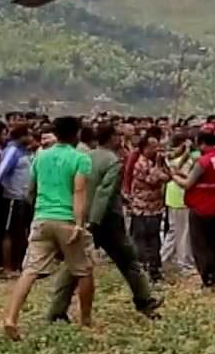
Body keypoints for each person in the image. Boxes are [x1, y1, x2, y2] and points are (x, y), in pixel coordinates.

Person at [48, 120, 160, 322]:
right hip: (107, 221)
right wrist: (95, 221)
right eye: (117, 135)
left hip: (83, 216)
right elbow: (103, 193)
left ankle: (57, 311)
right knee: (129, 262)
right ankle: (145, 300)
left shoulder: (86, 157)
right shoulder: (113, 161)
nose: (121, 138)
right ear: (111, 138)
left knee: (73, 266)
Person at [3, 116, 95, 340]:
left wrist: (37, 211)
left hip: (42, 218)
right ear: (77, 134)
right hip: (66, 220)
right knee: (84, 271)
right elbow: (79, 193)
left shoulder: (40, 157)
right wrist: (80, 224)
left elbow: (31, 190)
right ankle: (86, 321)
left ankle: (11, 318)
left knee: (30, 271)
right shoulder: (80, 159)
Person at [173, 131, 215, 289]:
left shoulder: (204, 161)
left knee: (201, 247)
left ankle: (209, 280)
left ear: (203, 143)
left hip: (202, 208)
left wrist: (173, 176)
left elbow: (187, 184)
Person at [0, 125, 35, 274]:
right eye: (29, 135)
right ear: (22, 136)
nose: (31, 138)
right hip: (13, 197)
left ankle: (19, 264)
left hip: (24, 197)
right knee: (9, 233)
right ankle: (7, 267)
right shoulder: (12, 151)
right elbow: (1, 170)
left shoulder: (25, 151)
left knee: (22, 232)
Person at [127, 130, 172, 283]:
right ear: (145, 148)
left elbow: (168, 176)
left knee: (154, 240)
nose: (156, 150)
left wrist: (162, 163)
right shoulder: (140, 164)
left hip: (156, 208)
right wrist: (159, 165)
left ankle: (154, 268)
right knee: (141, 240)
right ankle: (142, 269)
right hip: (142, 208)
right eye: (153, 147)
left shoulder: (154, 162)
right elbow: (153, 180)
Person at [161, 132, 196, 276]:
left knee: (175, 230)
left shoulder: (180, 158)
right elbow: (178, 169)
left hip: (176, 197)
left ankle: (163, 257)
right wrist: (186, 151)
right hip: (179, 197)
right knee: (183, 232)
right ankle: (184, 263)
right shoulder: (173, 158)